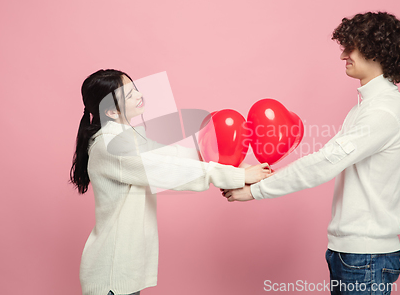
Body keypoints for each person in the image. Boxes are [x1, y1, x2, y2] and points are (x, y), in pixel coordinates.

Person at [223, 12, 400, 295]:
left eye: (352, 46)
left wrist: (256, 190)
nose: (343, 55)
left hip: (366, 257)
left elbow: (325, 162)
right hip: (350, 252)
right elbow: (329, 158)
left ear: (377, 50)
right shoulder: (366, 107)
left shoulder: (384, 111)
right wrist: (257, 179)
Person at [70, 69, 271, 295]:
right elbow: (166, 169)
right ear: (111, 111)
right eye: (128, 95)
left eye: (135, 88)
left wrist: (233, 163)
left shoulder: (127, 137)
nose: (138, 95)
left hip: (121, 272)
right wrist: (239, 177)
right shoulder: (110, 145)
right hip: (111, 275)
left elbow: (172, 155)